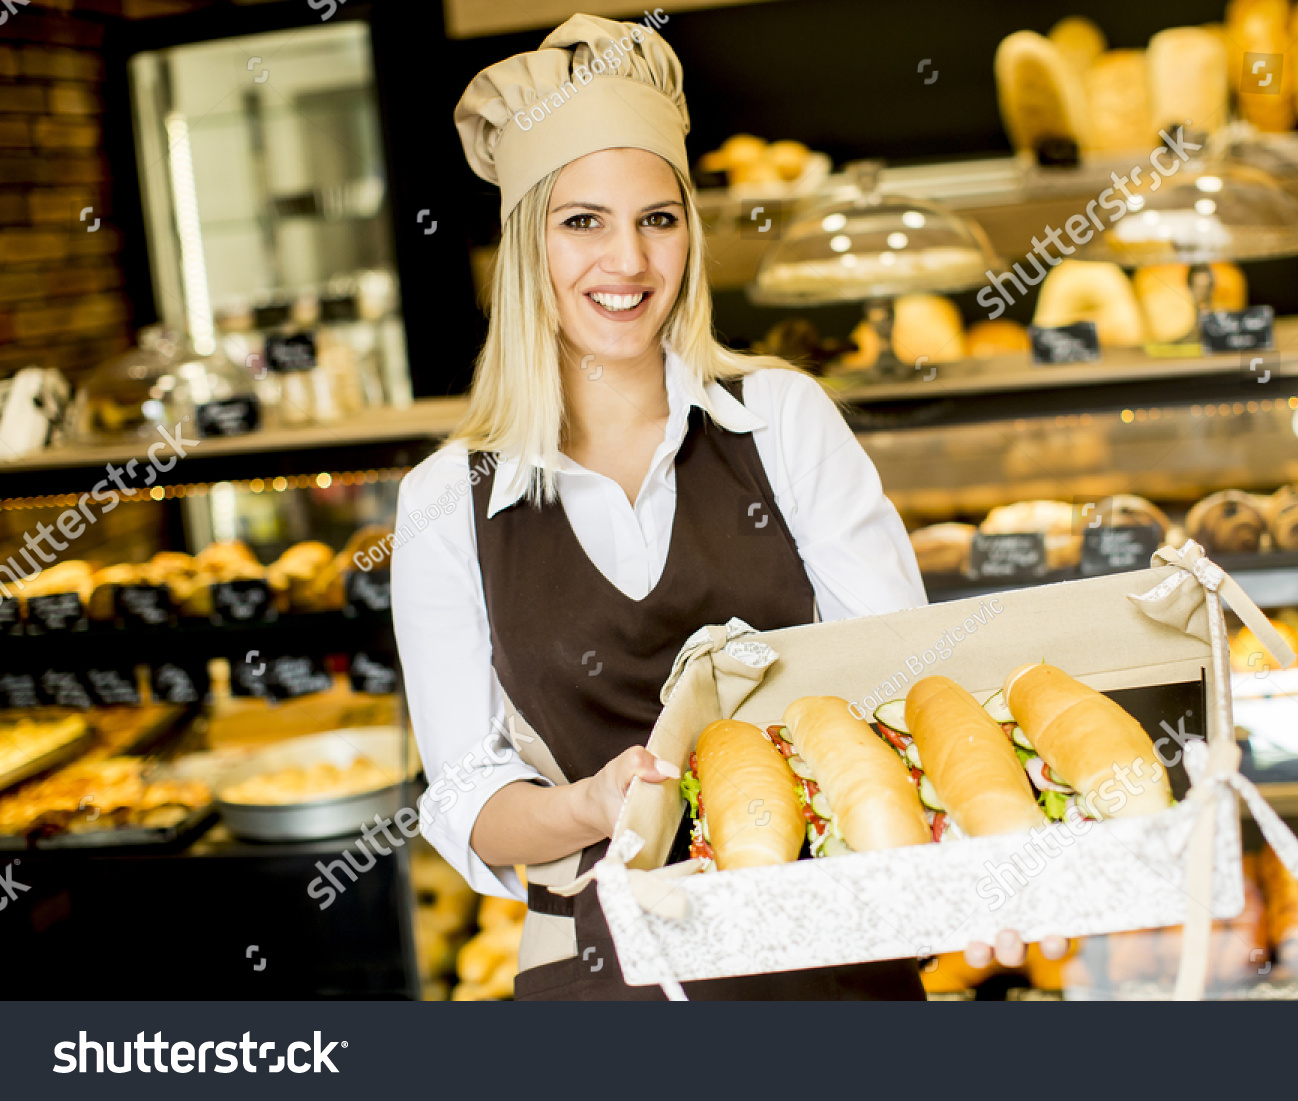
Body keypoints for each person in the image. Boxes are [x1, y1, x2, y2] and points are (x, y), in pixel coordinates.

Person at [393, 13, 938, 1000]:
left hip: (827, 946)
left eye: (658, 217)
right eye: (582, 221)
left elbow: (898, 680)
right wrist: (591, 807)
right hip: (606, 974)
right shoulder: (445, 504)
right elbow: (470, 799)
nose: (630, 263)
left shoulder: (780, 418)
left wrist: (960, 871)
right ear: (527, 247)